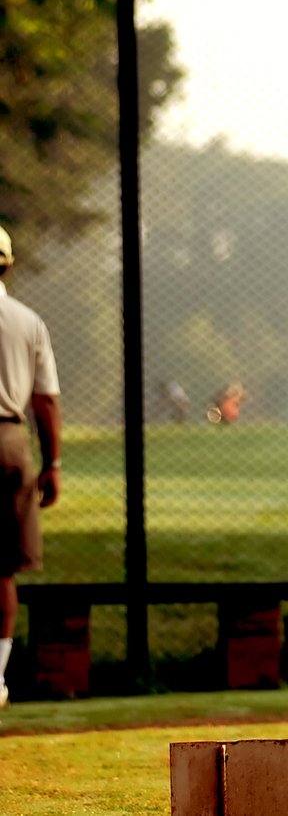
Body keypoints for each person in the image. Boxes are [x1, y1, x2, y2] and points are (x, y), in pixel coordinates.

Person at [0, 224, 63, 711]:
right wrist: (53, 463)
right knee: (3, 568)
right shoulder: (28, 321)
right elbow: (45, 401)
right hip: (9, 442)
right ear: (8, 263)